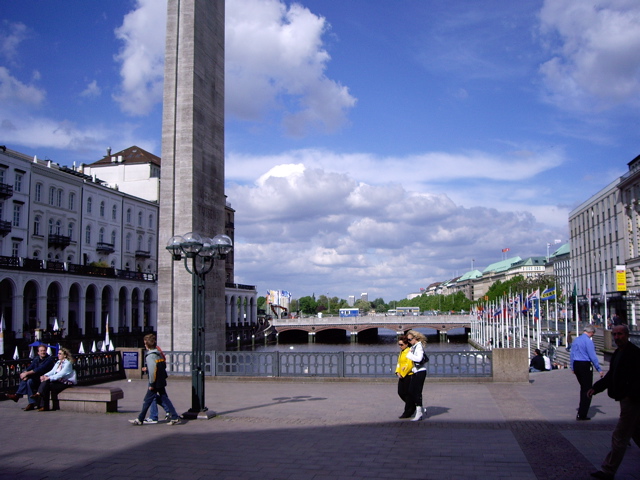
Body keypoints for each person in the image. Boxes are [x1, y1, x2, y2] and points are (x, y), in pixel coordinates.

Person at [588, 325, 640, 480]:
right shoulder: (618, 353)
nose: (617, 337)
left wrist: (631, 395)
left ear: (627, 335)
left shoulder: (634, 354)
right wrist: (596, 388)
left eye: (620, 334)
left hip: (632, 399)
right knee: (636, 432)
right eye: (615, 334)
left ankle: (608, 470)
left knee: (620, 435)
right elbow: (612, 375)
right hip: (626, 398)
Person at [129, 334, 181, 426]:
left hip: (155, 382)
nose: (144, 345)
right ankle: (175, 416)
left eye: (145, 343)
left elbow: (153, 372)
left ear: (148, 345)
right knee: (164, 398)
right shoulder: (158, 353)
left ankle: (140, 419)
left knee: (147, 400)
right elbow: (162, 366)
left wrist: (151, 384)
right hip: (161, 380)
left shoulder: (150, 356)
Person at [6, 345, 56, 411]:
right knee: (28, 381)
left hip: (45, 380)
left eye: (44, 350)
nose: (43, 352)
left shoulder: (49, 359)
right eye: (41, 351)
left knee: (28, 378)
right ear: (38, 352)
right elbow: (30, 367)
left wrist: (27, 374)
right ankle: (31, 403)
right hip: (37, 379)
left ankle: (17, 395)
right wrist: (24, 373)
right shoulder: (36, 359)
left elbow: (40, 369)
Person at [570, 325, 604, 420]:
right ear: (591, 332)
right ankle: (582, 413)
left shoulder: (576, 340)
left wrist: (572, 366)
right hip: (585, 364)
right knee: (587, 389)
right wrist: (599, 369)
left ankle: (581, 411)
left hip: (576, 364)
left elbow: (572, 354)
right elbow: (592, 356)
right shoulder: (588, 341)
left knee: (583, 388)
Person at [31, 347, 77, 411]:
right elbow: (52, 371)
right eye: (58, 353)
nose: (58, 355)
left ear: (65, 355)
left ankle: (42, 400)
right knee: (46, 383)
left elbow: (60, 374)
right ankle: (42, 401)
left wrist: (49, 378)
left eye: (60, 354)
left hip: (65, 382)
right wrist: (44, 375)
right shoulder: (58, 362)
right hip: (58, 381)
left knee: (47, 384)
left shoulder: (67, 364)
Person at [406, 330, 428, 422]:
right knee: (411, 391)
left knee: (417, 392)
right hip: (416, 371)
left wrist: (409, 355)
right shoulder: (414, 346)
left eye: (410, 339)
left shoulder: (418, 347)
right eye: (408, 340)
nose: (409, 341)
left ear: (415, 338)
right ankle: (419, 409)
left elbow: (419, 359)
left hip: (420, 371)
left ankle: (419, 413)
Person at [395, 335, 414, 419]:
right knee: (400, 392)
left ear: (406, 344)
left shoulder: (409, 351)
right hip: (401, 375)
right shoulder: (402, 352)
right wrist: (397, 372)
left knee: (407, 393)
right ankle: (412, 405)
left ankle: (407, 411)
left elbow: (409, 364)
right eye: (399, 344)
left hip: (408, 375)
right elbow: (399, 363)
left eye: (401, 344)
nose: (400, 346)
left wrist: (403, 374)